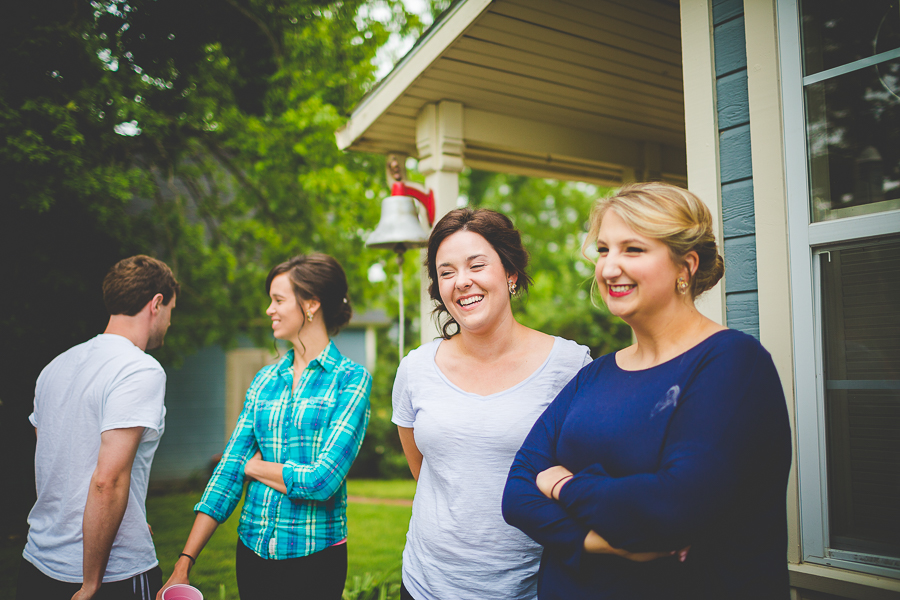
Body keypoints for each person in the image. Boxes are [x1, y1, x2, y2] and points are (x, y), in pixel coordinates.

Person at [502, 182, 792, 599]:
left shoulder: (732, 363)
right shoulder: (594, 375)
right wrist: (597, 541)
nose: (608, 267)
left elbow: (669, 508)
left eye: (632, 250)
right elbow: (516, 492)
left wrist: (565, 486)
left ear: (685, 266)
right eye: (603, 250)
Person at [392, 208, 592, 600]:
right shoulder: (416, 368)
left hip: (527, 587)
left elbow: (583, 475)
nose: (462, 282)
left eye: (476, 265)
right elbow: (425, 469)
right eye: (446, 272)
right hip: (424, 584)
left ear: (510, 273)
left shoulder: (569, 365)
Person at [157, 253, 371, 600]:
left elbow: (322, 481)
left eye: (278, 300)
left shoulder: (351, 380)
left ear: (311, 304)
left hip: (314, 555)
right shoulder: (264, 380)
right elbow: (227, 473)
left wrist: (253, 466)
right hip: (252, 550)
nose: (269, 309)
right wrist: (184, 562)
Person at [17, 255, 179, 600]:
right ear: (157, 303)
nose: (169, 322)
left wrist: (130, 517)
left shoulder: (55, 366)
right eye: (171, 311)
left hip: (37, 561)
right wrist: (91, 582)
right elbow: (108, 481)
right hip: (107, 574)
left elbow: (55, 459)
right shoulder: (140, 370)